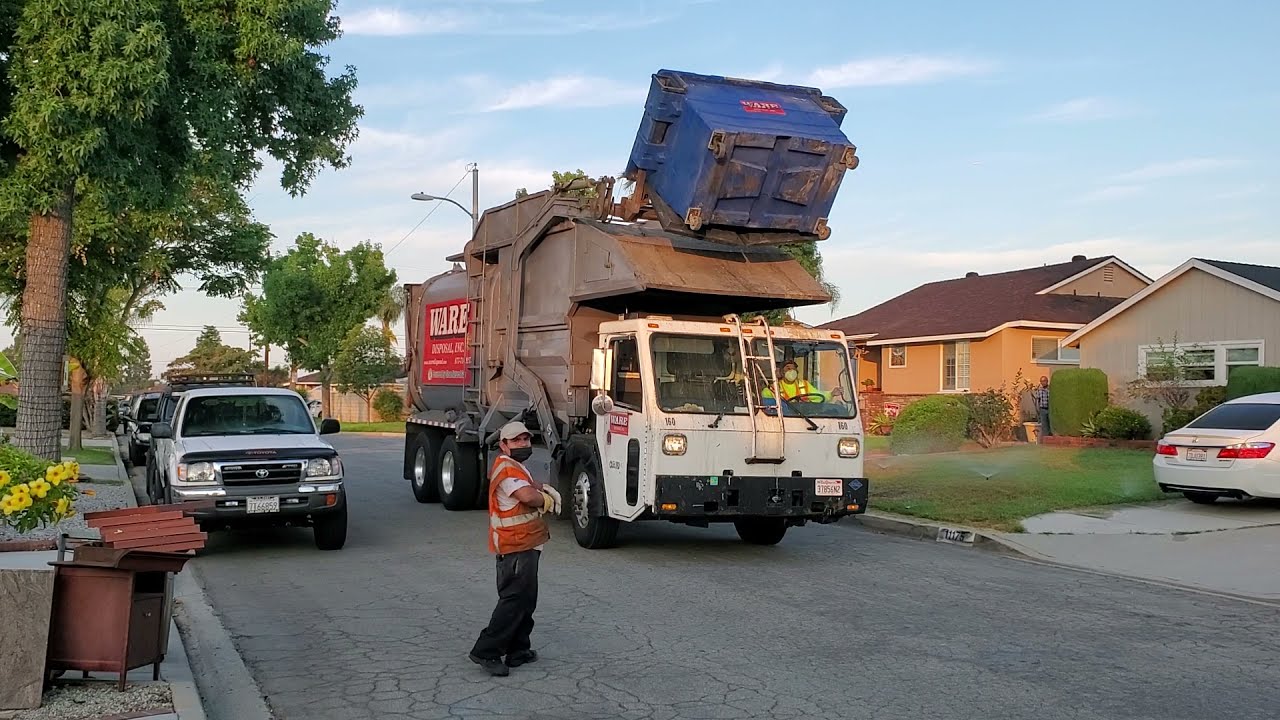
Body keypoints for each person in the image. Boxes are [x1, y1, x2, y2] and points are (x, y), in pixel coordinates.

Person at [469, 421, 562, 677]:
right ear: (503, 445)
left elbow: (528, 487)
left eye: (526, 439)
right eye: (516, 440)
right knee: (513, 600)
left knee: (526, 599)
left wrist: (542, 488)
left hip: (526, 543)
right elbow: (527, 497)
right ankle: (486, 651)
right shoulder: (506, 468)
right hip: (514, 545)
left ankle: (518, 649)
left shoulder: (515, 465)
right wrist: (545, 499)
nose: (523, 444)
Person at [762, 360, 844, 403]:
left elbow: (818, 396)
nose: (791, 371)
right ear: (781, 372)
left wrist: (831, 394)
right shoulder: (772, 389)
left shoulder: (804, 385)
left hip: (805, 419)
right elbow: (766, 408)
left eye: (793, 369)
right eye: (788, 368)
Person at [1033, 375, 1051, 441]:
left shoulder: (1050, 389)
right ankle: (1045, 438)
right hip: (1042, 409)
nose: (1043, 383)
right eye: (1041, 381)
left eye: (1044, 381)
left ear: (1047, 381)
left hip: (1049, 409)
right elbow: (1037, 400)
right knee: (1044, 424)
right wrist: (1038, 409)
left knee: (1050, 423)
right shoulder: (1039, 390)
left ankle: (1051, 436)